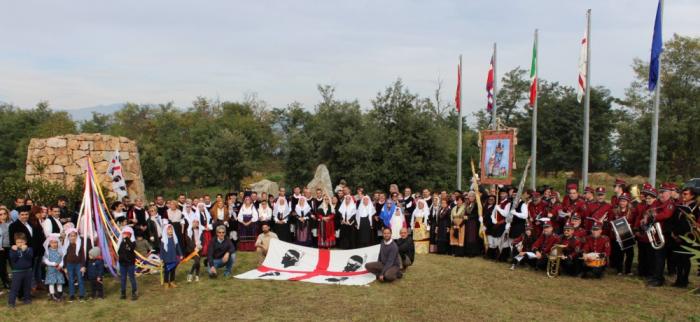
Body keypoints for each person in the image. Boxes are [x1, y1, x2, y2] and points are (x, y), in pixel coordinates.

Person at [670, 187, 698, 288]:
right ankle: (678, 280)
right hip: (676, 236)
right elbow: (674, 220)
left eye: (686, 194)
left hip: (688, 237)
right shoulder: (680, 205)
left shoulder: (696, 207)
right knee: (678, 258)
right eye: (683, 193)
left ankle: (684, 280)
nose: (683, 195)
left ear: (692, 195)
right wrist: (673, 233)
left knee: (685, 258)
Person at [609, 193, 636, 275]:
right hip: (618, 236)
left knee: (630, 254)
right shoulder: (614, 211)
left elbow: (634, 223)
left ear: (628, 202)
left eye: (624, 201)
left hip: (628, 235)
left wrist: (632, 229)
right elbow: (611, 222)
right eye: (621, 201)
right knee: (619, 254)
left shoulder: (632, 212)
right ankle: (619, 270)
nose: (622, 203)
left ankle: (628, 270)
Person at [8, 233, 33, 308]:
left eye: (21, 242)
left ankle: (27, 299)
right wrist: (14, 251)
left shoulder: (29, 249)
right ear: (15, 242)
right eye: (18, 242)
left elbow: (30, 257)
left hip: (28, 271)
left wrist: (25, 251)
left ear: (25, 242)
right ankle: (11, 302)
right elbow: (13, 259)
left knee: (27, 286)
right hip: (17, 272)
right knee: (15, 287)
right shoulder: (12, 250)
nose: (20, 244)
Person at [62, 228, 86, 302]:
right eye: (71, 236)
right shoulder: (66, 245)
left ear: (76, 236)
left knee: (80, 279)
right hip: (69, 265)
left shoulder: (79, 244)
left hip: (78, 264)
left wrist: (83, 266)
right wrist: (65, 267)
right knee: (71, 280)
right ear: (68, 237)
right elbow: (64, 257)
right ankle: (72, 295)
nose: (72, 237)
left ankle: (81, 295)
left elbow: (82, 256)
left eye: (74, 236)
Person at [117, 226, 138, 300]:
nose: (124, 235)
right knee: (123, 278)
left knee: (132, 277)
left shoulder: (133, 242)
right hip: (123, 263)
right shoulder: (121, 242)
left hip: (130, 263)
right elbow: (119, 251)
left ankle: (134, 292)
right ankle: (123, 293)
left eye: (127, 234)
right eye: (124, 234)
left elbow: (132, 248)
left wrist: (127, 239)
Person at [42, 233, 65, 301]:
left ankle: (60, 293)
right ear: (49, 243)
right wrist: (52, 263)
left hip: (58, 269)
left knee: (59, 281)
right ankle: (52, 294)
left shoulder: (60, 251)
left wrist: (61, 265)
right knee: (51, 282)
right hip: (51, 269)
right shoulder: (48, 251)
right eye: (52, 243)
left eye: (56, 243)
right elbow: (45, 260)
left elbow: (63, 258)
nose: (54, 244)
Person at [160, 224, 183, 288]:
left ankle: (172, 281)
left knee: (173, 270)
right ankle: (166, 282)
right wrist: (161, 258)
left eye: (171, 229)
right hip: (166, 258)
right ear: (165, 231)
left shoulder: (174, 238)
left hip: (173, 257)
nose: (170, 231)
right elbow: (162, 250)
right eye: (169, 229)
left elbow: (178, 247)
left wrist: (181, 254)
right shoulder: (163, 240)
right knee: (167, 271)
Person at [463, 192, 482, 257]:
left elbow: (477, 214)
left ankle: (473, 252)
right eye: (469, 196)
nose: (470, 197)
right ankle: (468, 251)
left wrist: (469, 217)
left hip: (473, 222)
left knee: (472, 237)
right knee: (468, 237)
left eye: (471, 196)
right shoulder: (468, 204)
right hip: (468, 222)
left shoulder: (476, 204)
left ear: (474, 197)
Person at [185, 215, 203, 282]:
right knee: (197, 261)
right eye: (194, 222)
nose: (195, 223)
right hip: (192, 249)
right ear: (191, 223)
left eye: (197, 222)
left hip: (199, 248)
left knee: (197, 261)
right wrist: (195, 247)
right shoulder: (188, 231)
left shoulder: (200, 230)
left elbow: (202, 239)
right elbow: (188, 241)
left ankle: (196, 275)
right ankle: (191, 274)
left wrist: (201, 245)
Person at [0, 208, 11, 291]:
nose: (3, 216)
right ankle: (5, 282)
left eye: (4, 214)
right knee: (2, 267)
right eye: (1, 214)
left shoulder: (10, 223)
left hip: (10, 247)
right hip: (1, 248)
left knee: (13, 264)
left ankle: (15, 280)